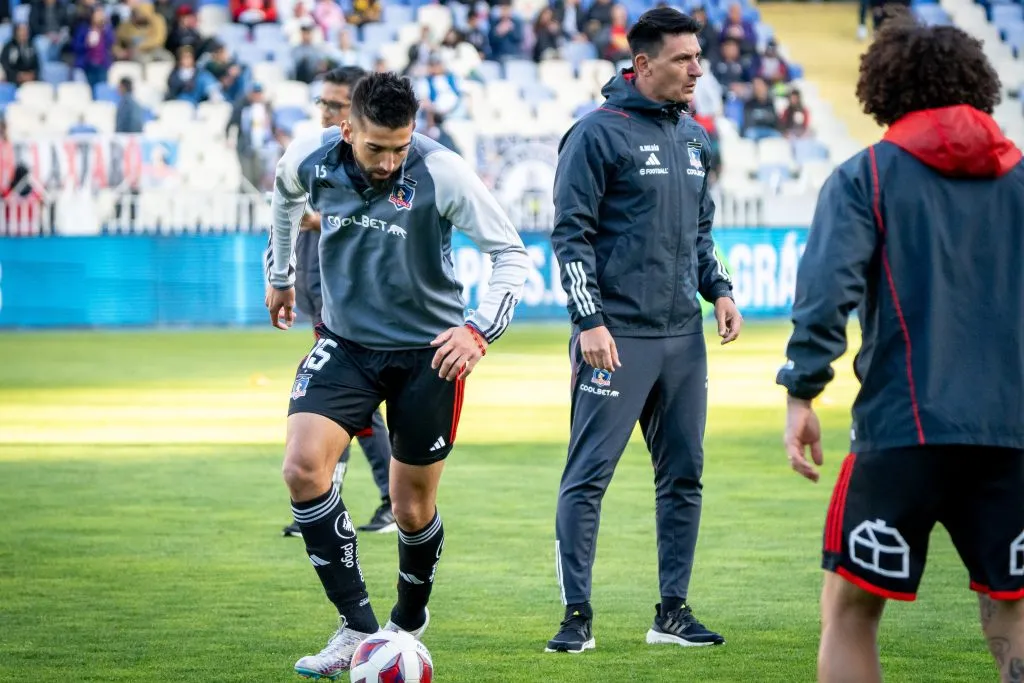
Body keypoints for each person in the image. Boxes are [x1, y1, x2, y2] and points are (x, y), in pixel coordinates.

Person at [776, 14, 1024, 683]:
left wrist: (802, 392)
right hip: (1011, 432)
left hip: (901, 428)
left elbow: (825, 296)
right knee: (1012, 607)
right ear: (979, 82)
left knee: (851, 609)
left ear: (882, 89)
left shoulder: (865, 176)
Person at [265, 71, 530, 680]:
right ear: (346, 129)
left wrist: (478, 331)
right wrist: (280, 274)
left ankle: (408, 621)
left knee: (411, 509)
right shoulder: (310, 157)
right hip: (346, 345)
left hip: (428, 355)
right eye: (375, 148)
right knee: (302, 468)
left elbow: (510, 253)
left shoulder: (443, 172)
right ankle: (358, 627)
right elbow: (283, 195)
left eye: (400, 148)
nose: (388, 162)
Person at [546, 7, 741, 655]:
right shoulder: (595, 134)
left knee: (684, 475)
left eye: (698, 56)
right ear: (643, 64)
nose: (697, 69)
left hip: (683, 338)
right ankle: (576, 615)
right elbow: (570, 236)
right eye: (684, 58)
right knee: (588, 477)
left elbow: (700, 232)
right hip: (616, 337)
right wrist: (589, 321)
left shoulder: (695, 138)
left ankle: (673, 612)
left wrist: (719, 289)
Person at [278, 65, 398, 540]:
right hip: (319, 294)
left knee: (344, 407)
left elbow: (379, 224)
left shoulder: (377, 163)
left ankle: (366, 502)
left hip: (355, 308)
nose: (326, 112)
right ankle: (340, 501)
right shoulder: (315, 155)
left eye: (336, 104)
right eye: (323, 102)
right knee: (346, 410)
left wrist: (322, 219)